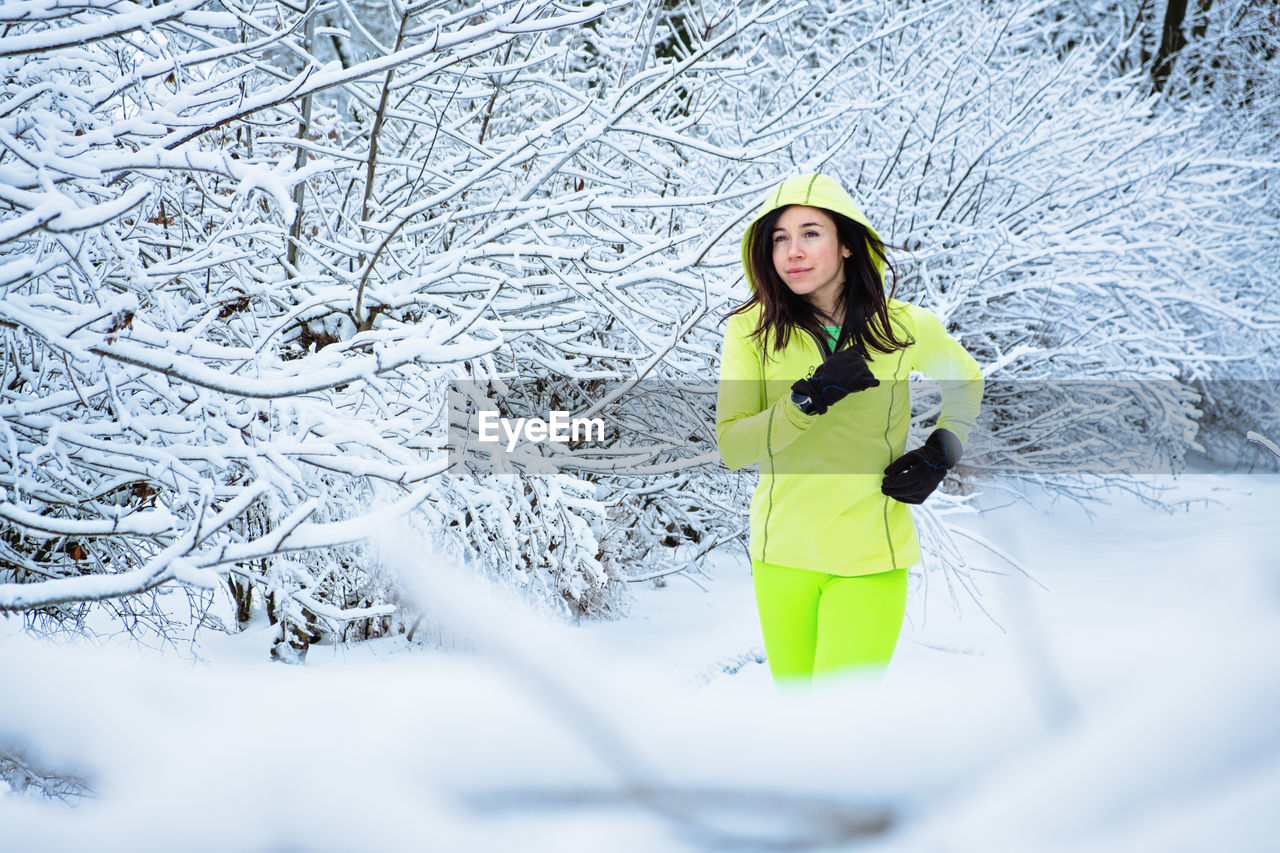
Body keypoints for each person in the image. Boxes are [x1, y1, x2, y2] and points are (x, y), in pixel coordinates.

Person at [715, 173, 984, 686]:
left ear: (845, 245)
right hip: (781, 559)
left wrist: (940, 452)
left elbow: (966, 380)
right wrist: (806, 399)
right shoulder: (751, 331)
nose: (793, 250)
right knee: (798, 725)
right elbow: (731, 446)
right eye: (779, 238)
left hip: (870, 557)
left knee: (838, 723)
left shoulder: (902, 327)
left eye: (811, 233)